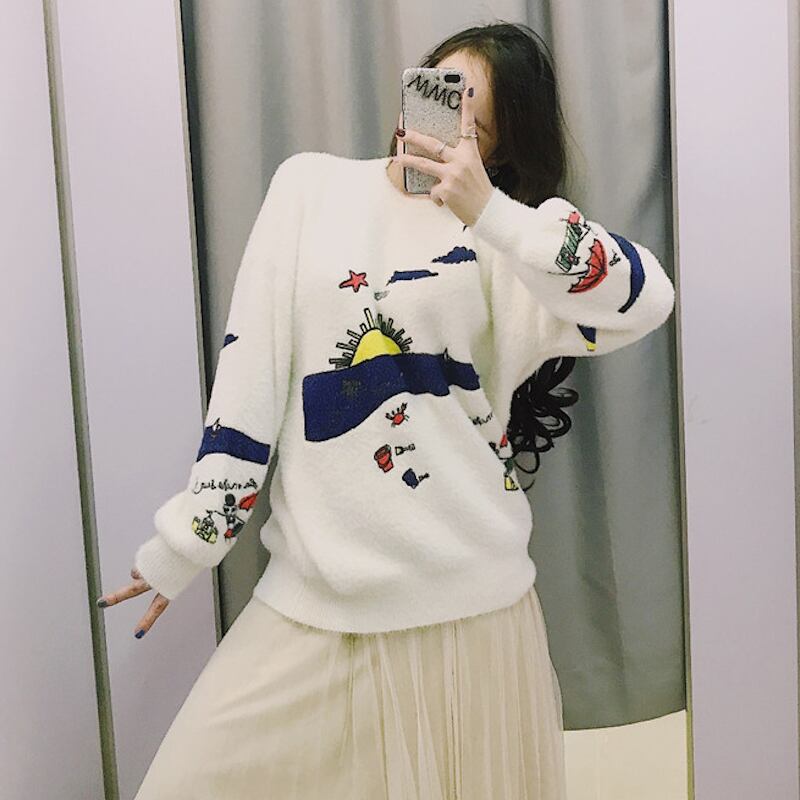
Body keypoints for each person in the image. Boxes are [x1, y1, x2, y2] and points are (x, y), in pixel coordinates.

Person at [98, 21, 675, 799]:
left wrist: (492, 213)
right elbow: (249, 379)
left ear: (497, 143)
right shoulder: (308, 189)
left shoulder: (508, 244)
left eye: (471, 113)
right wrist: (190, 541)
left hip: (470, 611)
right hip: (314, 601)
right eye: (437, 84)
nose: (439, 115)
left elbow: (647, 298)